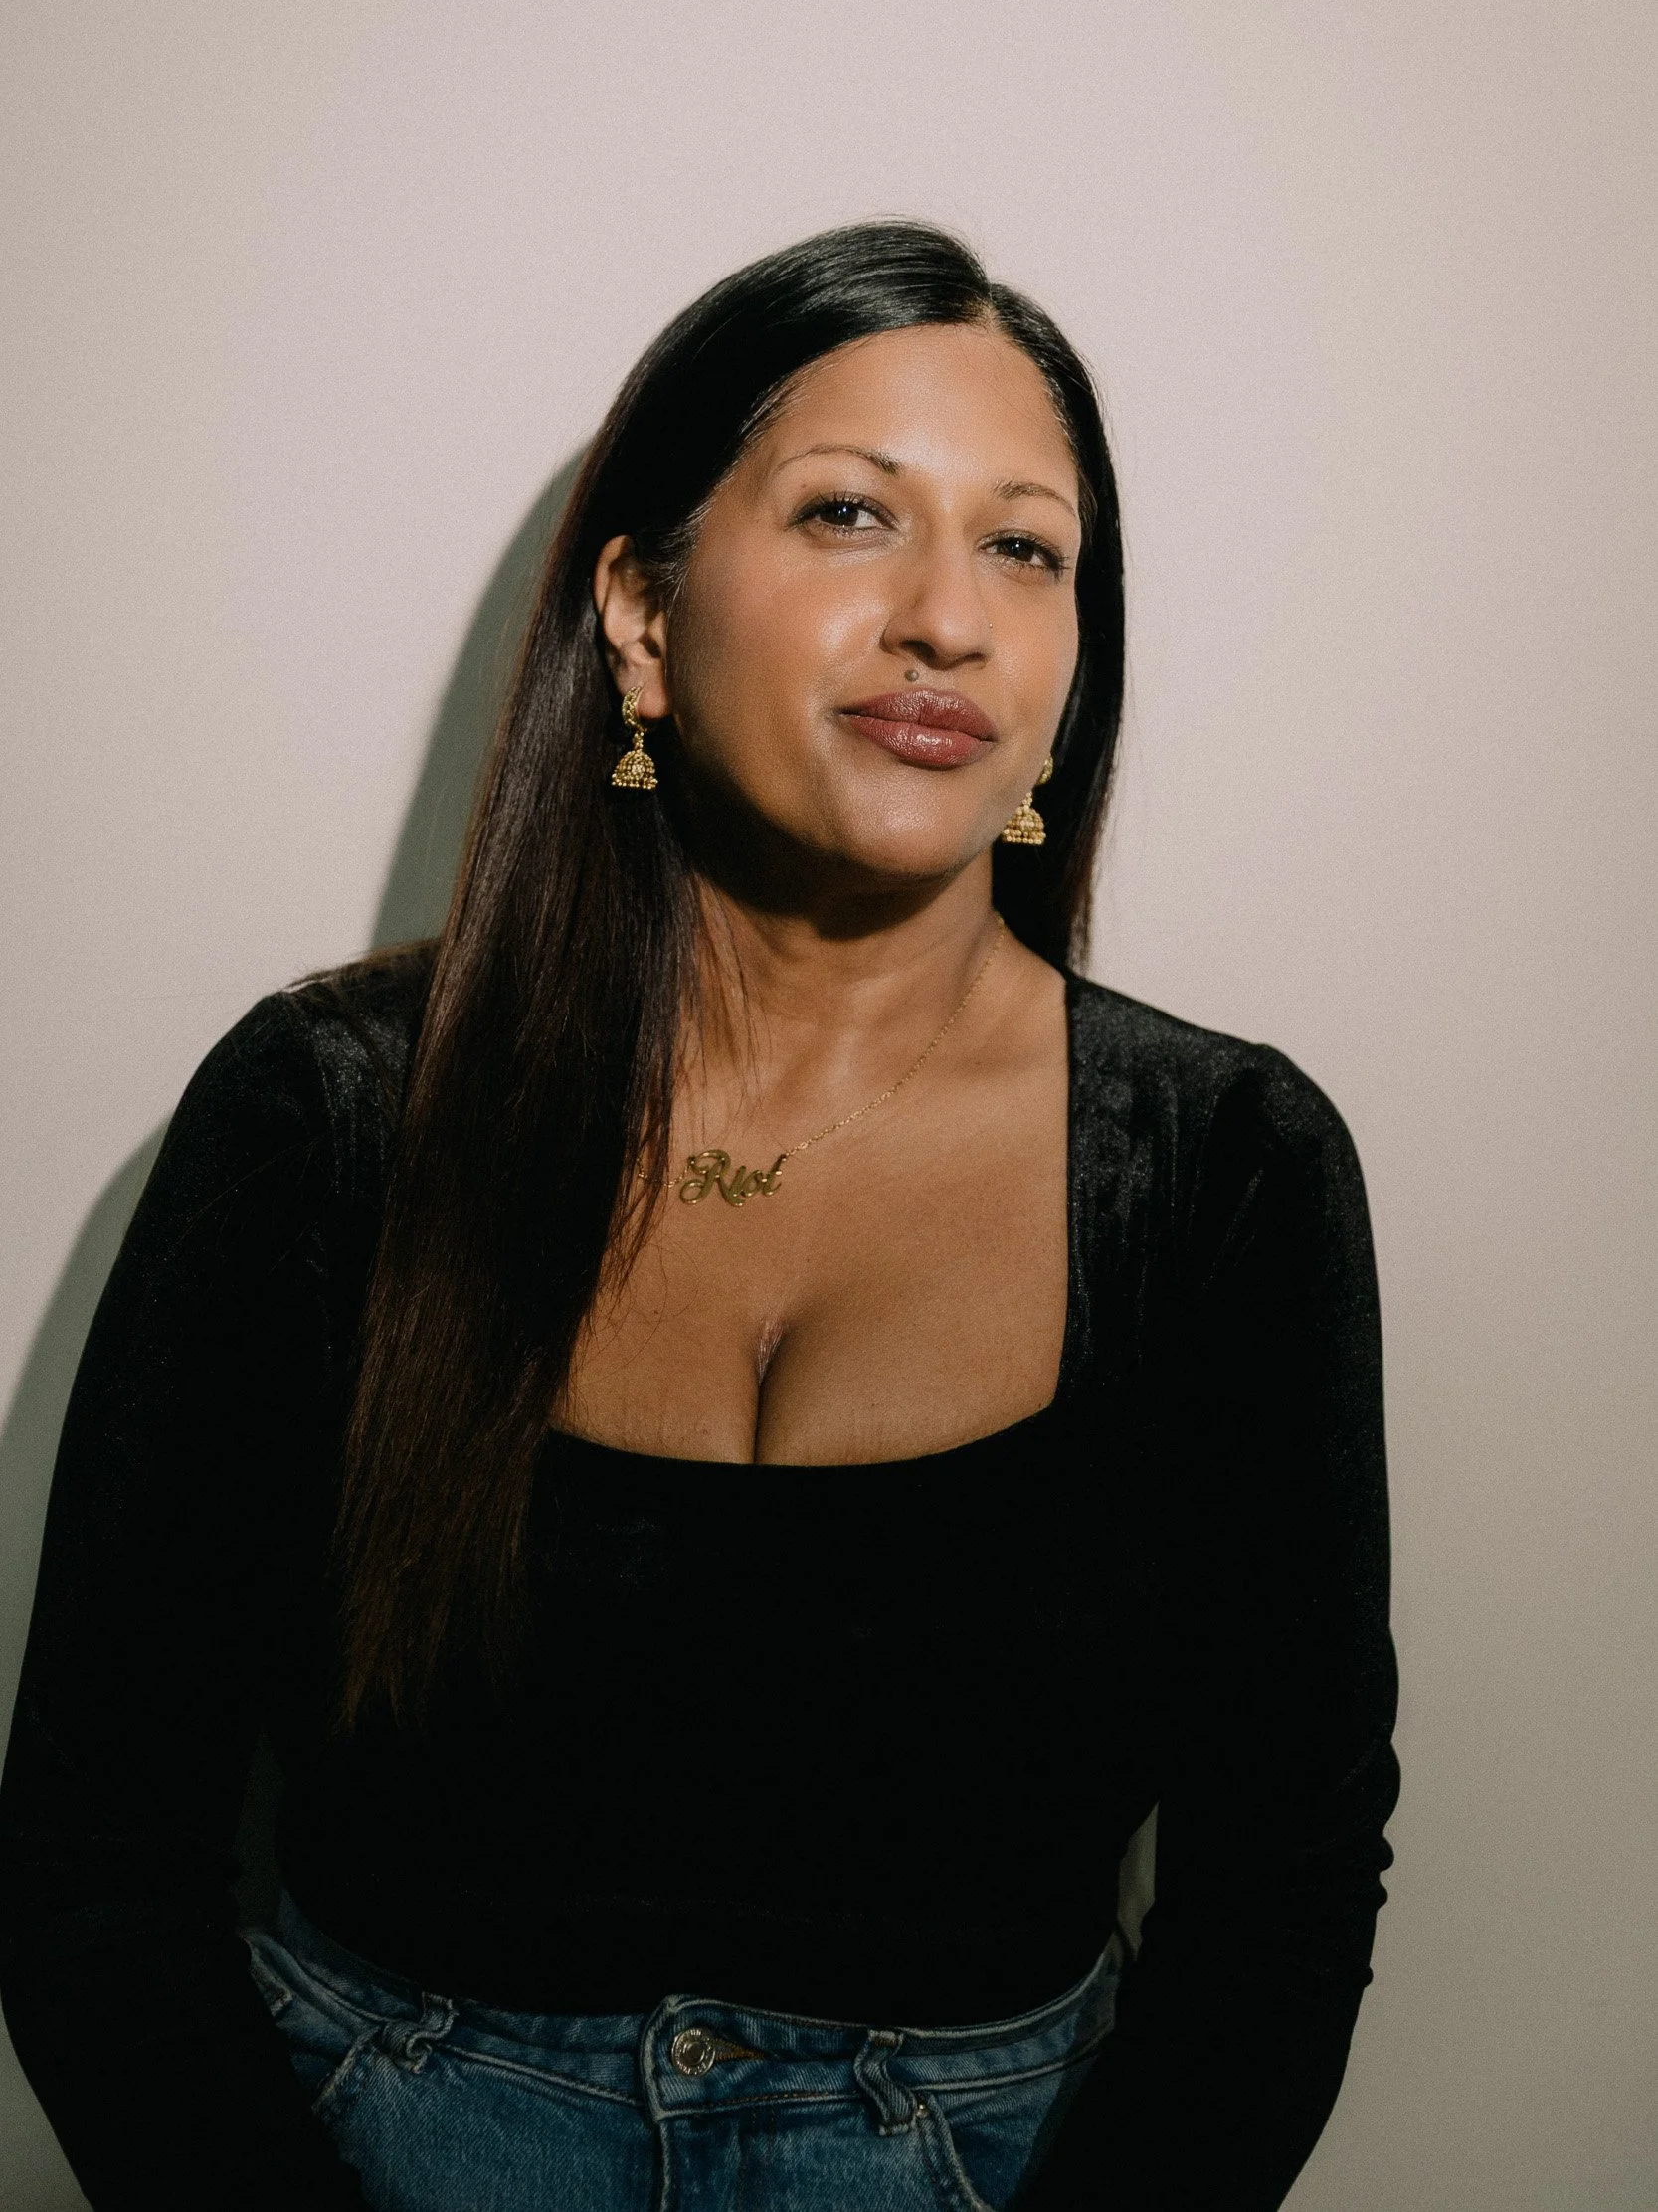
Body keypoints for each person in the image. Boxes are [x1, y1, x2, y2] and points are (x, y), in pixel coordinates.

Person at [0, 222, 1399, 2211]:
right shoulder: (327, 1119)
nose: (945, 617)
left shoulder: (1229, 1164)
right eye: (848, 512)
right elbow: (98, 1858)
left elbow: (1280, 1885)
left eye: (1026, 547)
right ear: (643, 615)